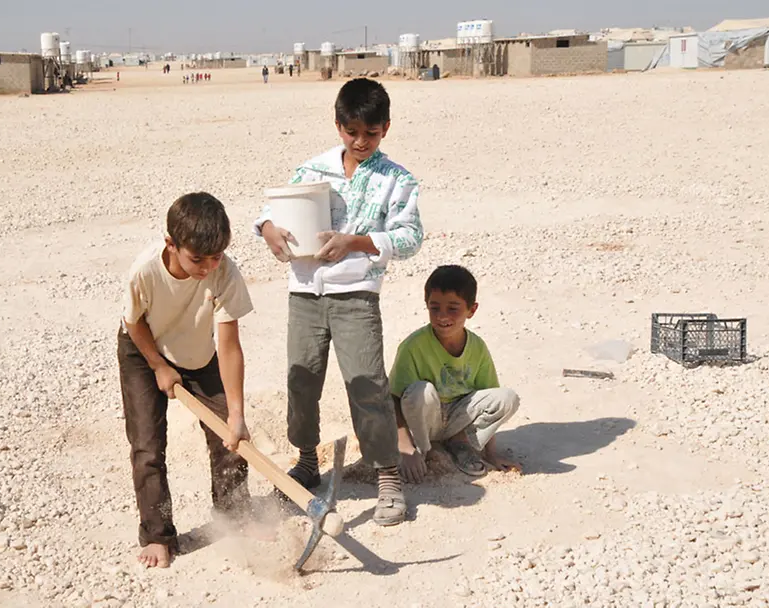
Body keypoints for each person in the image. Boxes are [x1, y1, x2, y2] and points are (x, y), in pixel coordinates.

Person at [253, 78, 424, 526]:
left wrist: (356, 242)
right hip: (304, 294)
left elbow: (410, 237)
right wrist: (268, 230)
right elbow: (271, 211)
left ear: (386, 128)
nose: (360, 141)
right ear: (338, 125)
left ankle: (387, 475)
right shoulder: (312, 170)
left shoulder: (397, 180)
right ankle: (307, 461)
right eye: (352, 132)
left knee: (367, 383)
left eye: (371, 133)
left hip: (357, 295)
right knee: (302, 380)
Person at [119, 192, 257, 568]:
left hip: (196, 351)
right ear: (172, 244)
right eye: (198, 259)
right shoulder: (146, 270)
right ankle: (157, 535)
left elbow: (229, 346)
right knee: (147, 445)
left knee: (229, 435)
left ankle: (234, 515)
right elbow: (133, 322)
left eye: (216, 257)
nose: (208, 267)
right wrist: (158, 366)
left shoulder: (225, 273)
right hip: (143, 349)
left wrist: (236, 413)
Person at [388, 265, 521, 483]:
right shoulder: (413, 346)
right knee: (421, 391)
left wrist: (491, 454)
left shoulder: (478, 347)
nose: (442, 316)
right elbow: (393, 398)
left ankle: (461, 442)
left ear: (472, 310)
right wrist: (405, 447)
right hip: (425, 421)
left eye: (452, 308)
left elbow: (488, 392)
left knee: (507, 398)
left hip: (458, 419)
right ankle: (425, 449)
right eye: (435, 308)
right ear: (426, 305)